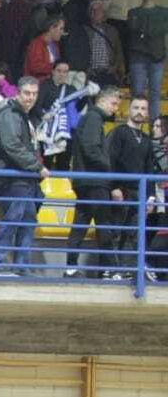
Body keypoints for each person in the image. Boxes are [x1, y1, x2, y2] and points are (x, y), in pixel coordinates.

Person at [0, 76, 47, 275]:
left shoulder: (22, 115)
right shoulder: (10, 114)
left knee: (28, 219)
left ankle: (20, 264)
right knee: (16, 216)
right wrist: (37, 167)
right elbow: (12, 146)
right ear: (18, 92)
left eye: (34, 94)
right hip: (9, 174)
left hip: (20, 175)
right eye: (27, 93)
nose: (31, 98)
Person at [65, 85, 120, 278]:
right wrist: (110, 168)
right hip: (95, 181)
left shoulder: (90, 118)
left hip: (87, 180)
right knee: (104, 224)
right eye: (114, 103)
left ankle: (70, 267)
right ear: (102, 101)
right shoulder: (94, 119)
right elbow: (92, 150)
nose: (116, 108)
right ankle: (109, 269)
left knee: (81, 224)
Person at [105, 95, 153, 279]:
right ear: (128, 110)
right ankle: (111, 269)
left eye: (143, 108)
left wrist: (150, 197)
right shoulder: (119, 133)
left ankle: (126, 269)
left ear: (147, 112)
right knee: (116, 230)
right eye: (136, 108)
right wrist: (113, 187)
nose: (139, 111)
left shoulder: (147, 140)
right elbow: (110, 161)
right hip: (121, 191)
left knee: (132, 233)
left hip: (138, 194)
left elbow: (149, 169)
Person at [127, 0, 168, 122]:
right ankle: (135, 126)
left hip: (157, 57)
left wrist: (145, 31)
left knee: (155, 94)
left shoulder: (164, 12)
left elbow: (159, 30)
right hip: (138, 57)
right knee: (137, 93)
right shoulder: (133, 12)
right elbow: (134, 30)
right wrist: (148, 30)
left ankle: (155, 129)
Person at [65, 1, 125, 87]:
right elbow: (79, 52)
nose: (95, 12)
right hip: (90, 74)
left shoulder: (112, 30)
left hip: (109, 72)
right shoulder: (83, 30)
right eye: (92, 10)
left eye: (98, 10)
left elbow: (119, 52)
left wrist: (115, 67)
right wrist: (86, 69)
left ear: (104, 13)